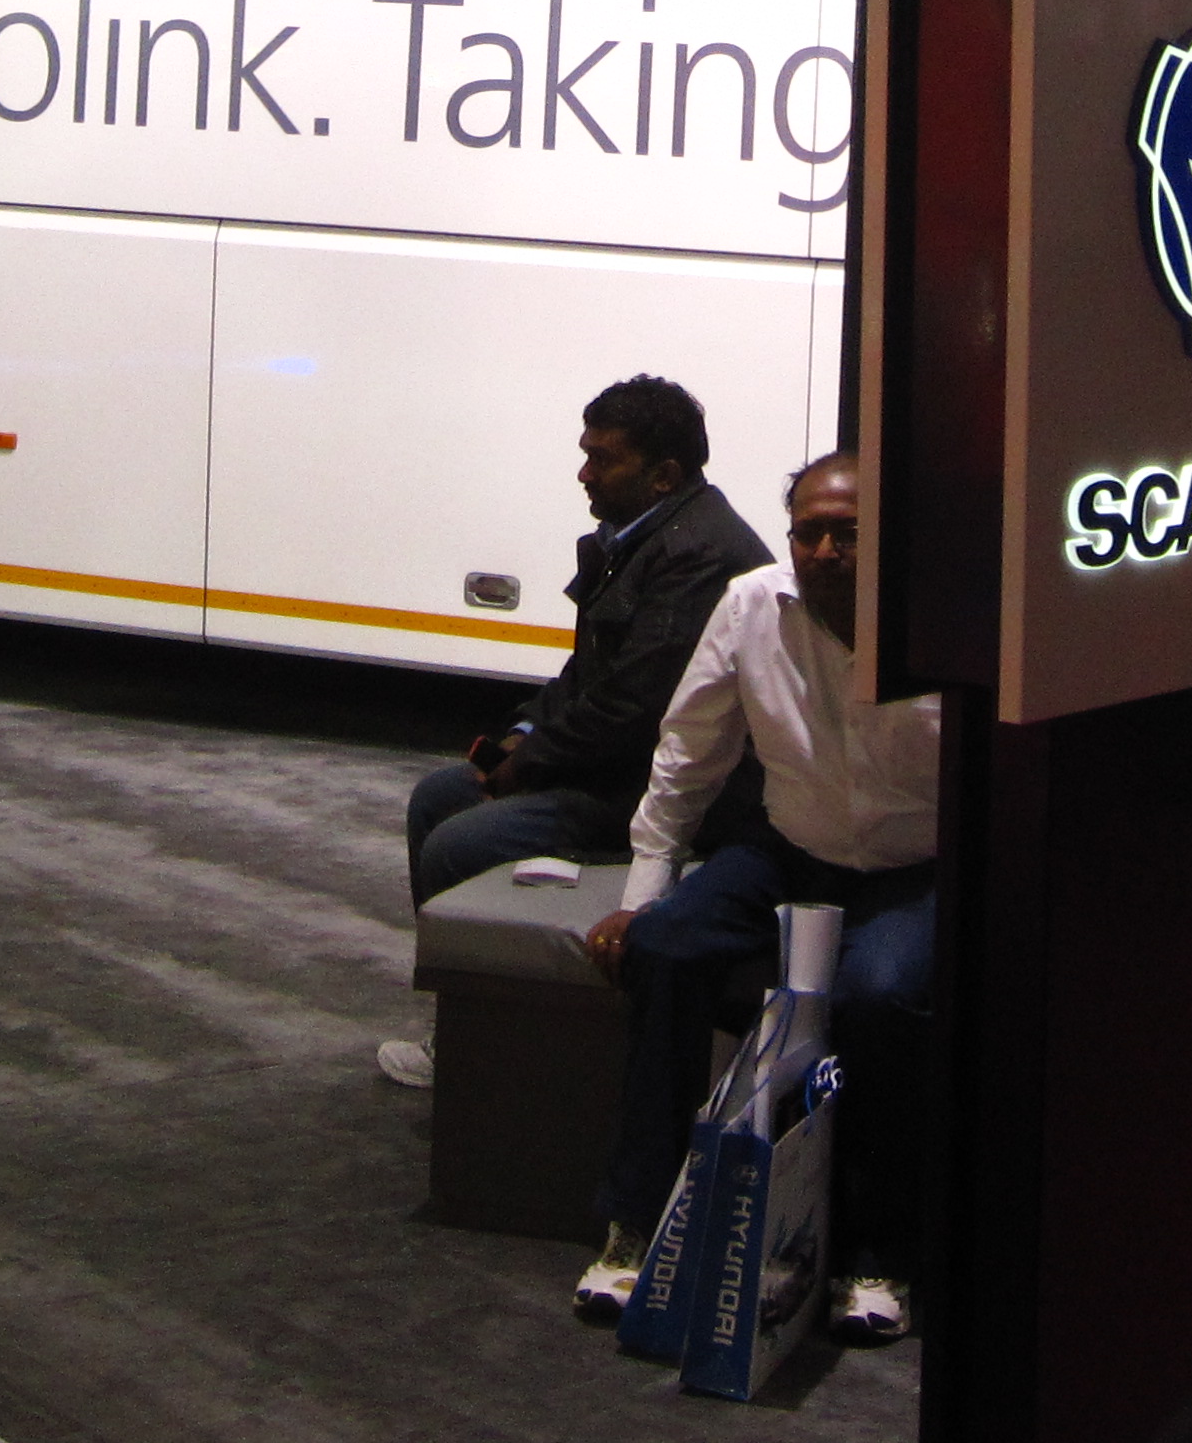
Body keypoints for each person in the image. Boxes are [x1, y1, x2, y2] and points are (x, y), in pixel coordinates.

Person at [573, 450, 938, 1350]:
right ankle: (636, 1225)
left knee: (879, 994)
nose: (825, 552)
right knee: (664, 947)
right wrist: (643, 896)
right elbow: (687, 753)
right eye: (808, 533)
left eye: (848, 533)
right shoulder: (750, 605)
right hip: (790, 847)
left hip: (914, 863)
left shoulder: (949, 622)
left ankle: (875, 1256)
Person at [380, 377, 768, 1085]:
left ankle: (483, 1053)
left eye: (602, 459)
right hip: (616, 768)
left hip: (670, 795)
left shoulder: (699, 555)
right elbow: (589, 672)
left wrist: (527, 765)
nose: (584, 473)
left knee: (461, 841)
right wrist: (523, 732)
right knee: (438, 797)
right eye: (586, 454)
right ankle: (460, 1024)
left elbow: (636, 709)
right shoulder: (639, 538)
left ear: (663, 475)